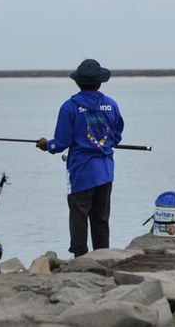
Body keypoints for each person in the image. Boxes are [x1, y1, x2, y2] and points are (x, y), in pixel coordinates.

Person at [36, 59, 124, 257]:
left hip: (81, 173)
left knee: (79, 216)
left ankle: (80, 258)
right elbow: (116, 136)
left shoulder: (69, 107)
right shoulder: (111, 105)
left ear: (78, 82)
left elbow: (60, 143)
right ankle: (103, 256)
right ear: (100, 82)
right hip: (105, 171)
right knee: (101, 218)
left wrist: (46, 144)